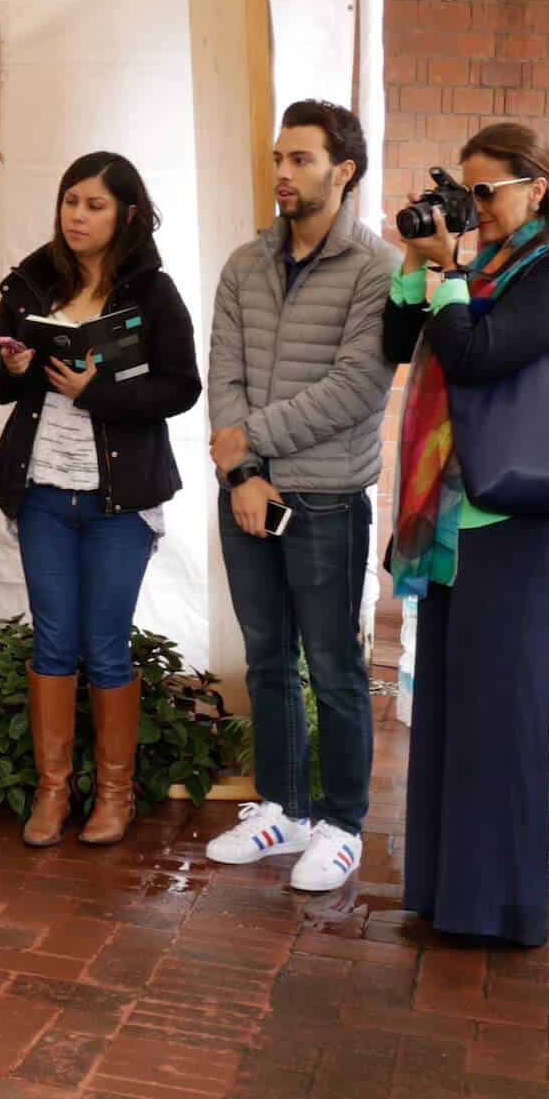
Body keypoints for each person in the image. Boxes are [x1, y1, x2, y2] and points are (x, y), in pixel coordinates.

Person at [384, 121, 549, 947]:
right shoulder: (477, 266)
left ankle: (502, 907)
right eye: (466, 191)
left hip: (523, 518)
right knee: (447, 707)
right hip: (458, 516)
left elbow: (478, 356)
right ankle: (448, 895)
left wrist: (447, 275)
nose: (474, 207)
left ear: (537, 188)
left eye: (488, 191)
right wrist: (421, 268)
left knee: (505, 715)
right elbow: (398, 347)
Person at [0, 152, 201, 848]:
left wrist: (94, 392)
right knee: (53, 642)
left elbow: (182, 387)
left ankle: (113, 795)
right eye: (70, 200)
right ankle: (52, 793)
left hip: (119, 500)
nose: (77, 215)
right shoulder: (32, 279)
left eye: (94, 204)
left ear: (127, 214)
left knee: (104, 647)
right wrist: (14, 368)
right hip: (42, 491)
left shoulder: (153, 293)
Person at [204, 101, 398, 892]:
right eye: (278, 157)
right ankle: (282, 806)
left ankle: (343, 822)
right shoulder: (245, 264)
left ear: (343, 170)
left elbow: (356, 386)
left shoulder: (376, 268)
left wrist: (251, 442)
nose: (282, 172)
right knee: (267, 657)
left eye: (302, 159)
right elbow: (224, 373)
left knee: (332, 664)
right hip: (247, 490)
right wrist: (241, 474)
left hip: (324, 497)